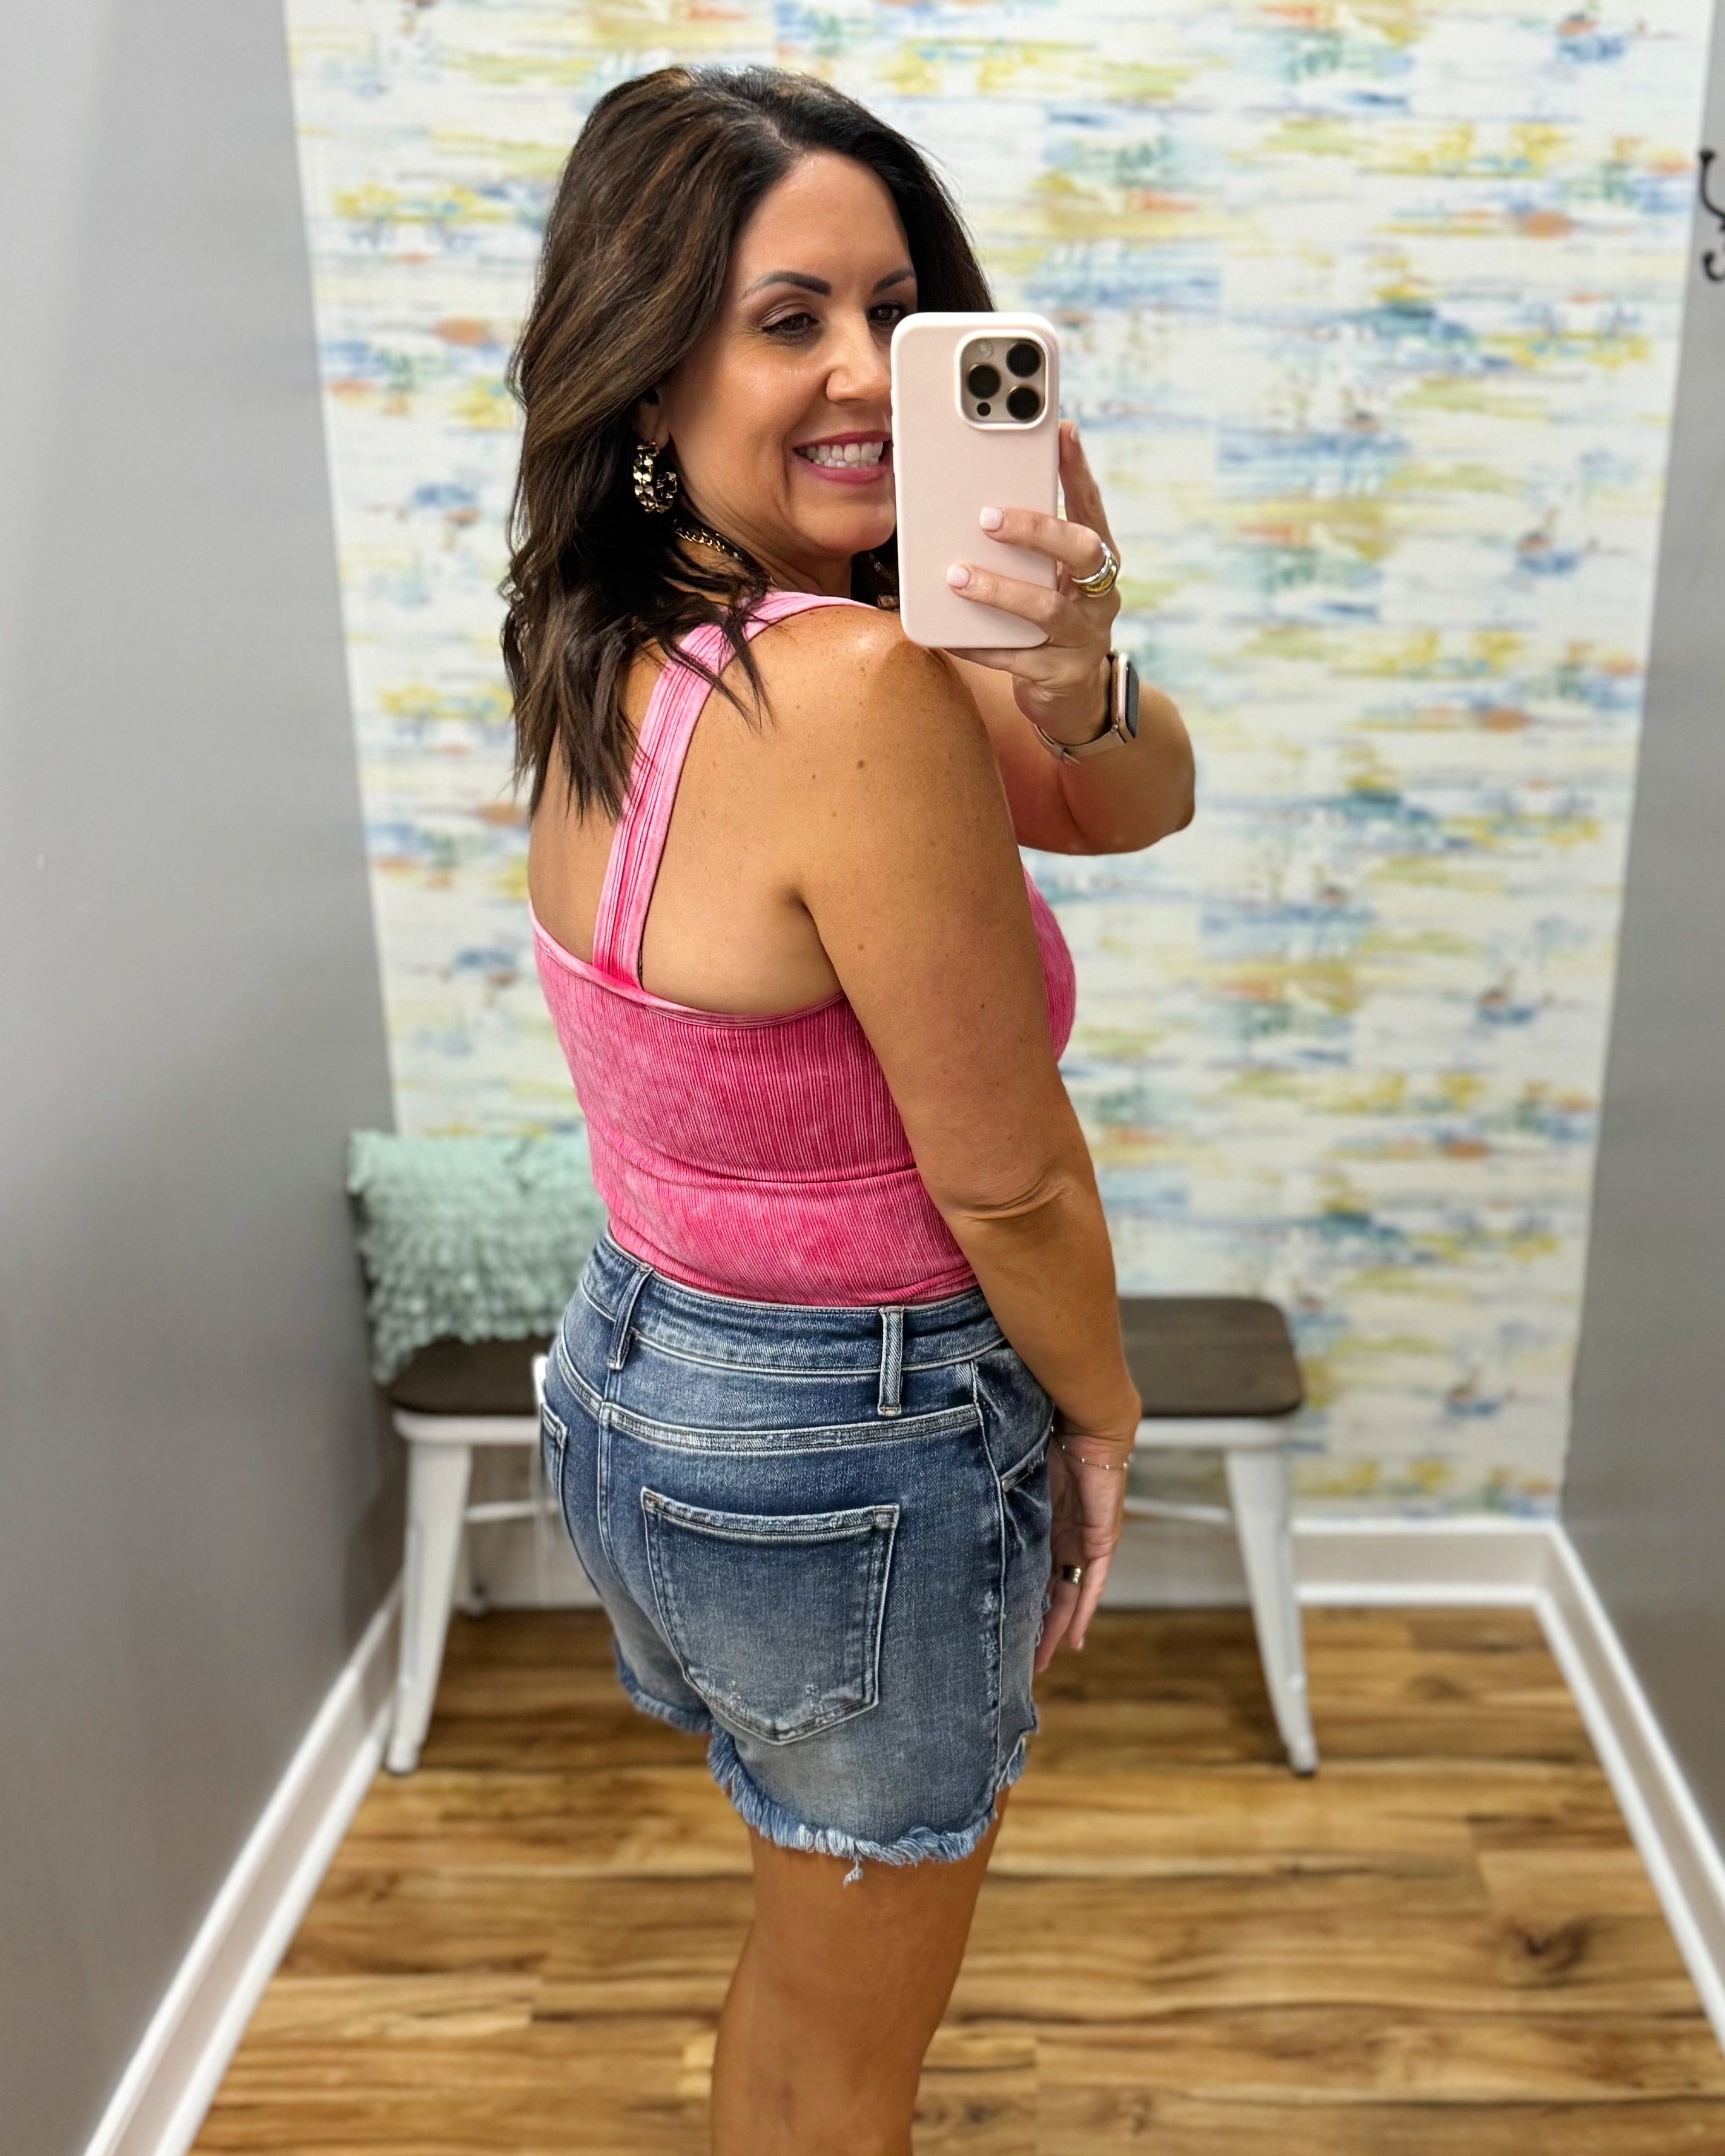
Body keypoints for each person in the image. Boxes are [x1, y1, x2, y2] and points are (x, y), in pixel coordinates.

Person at [506, 64, 1194, 2154]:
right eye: (781, 315)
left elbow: (1126, 803)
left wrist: (1078, 668)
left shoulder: (623, 635)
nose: (862, 376)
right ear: (648, 362)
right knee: (844, 2055)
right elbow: (1000, 1171)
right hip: (850, 1437)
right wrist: (1102, 1408)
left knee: (804, 1959)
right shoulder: (858, 695)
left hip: (645, 1379)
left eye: (888, 314)